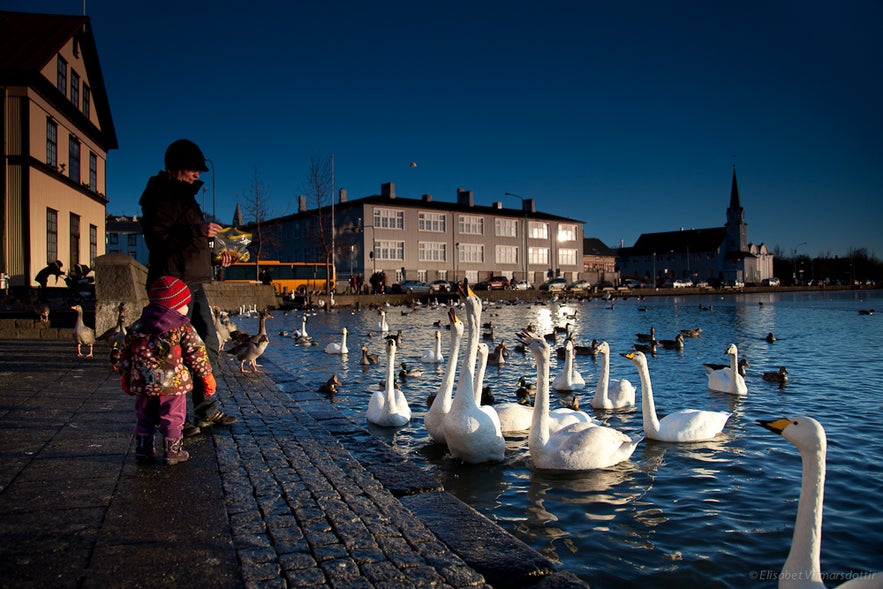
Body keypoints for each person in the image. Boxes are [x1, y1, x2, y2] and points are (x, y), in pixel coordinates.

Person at [139, 138, 236, 436]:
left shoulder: (186, 197)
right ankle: (176, 419)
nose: (197, 175)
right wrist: (197, 230)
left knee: (206, 342)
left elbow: (190, 242)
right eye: (192, 170)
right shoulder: (160, 195)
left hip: (192, 283)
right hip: (171, 285)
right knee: (171, 352)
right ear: (175, 168)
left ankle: (204, 409)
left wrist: (217, 254)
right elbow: (158, 239)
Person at [118, 276, 215, 464]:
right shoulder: (183, 328)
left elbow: (125, 354)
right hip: (173, 385)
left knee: (144, 417)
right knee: (173, 417)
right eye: (185, 304)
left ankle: (143, 449)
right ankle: (172, 452)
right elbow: (197, 353)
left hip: (144, 383)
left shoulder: (137, 327)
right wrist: (206, 376)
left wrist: (125, 377)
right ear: (175, 305)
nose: (187, 308)